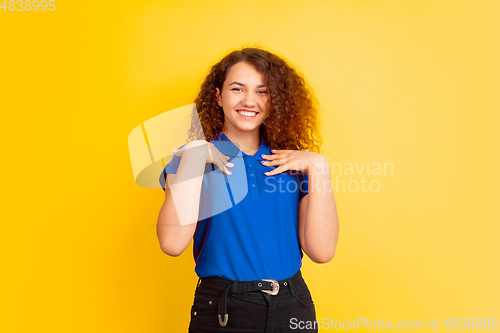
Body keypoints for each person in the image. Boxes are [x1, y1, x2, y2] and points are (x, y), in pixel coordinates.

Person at [157, 47, 339, 332]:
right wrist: (192, 160)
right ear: (218, 96)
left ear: (274, 101)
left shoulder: (295, 163)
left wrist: (320, 167)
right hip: (223, 308)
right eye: (237, 88)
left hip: (293, 305)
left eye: (262, 91)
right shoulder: (192, 160)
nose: (249, 100)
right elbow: (171, 243)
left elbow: (322, 251)